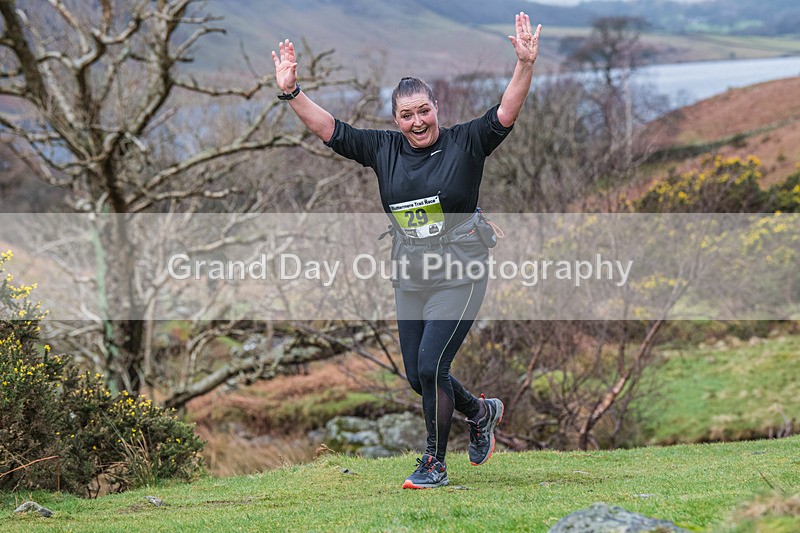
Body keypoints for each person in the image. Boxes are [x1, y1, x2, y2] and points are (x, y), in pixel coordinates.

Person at [272, 12, 541, 489]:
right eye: (406, 115)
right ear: (395, 120)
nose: (417, 121)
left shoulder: (466, 143)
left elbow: (507, 111)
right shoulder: (383, 150)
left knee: (432, 364)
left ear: (436, 107)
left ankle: (434, 464)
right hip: (411, 278)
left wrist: (523, 65)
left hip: (461, 272)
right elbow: (328, 129)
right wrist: (292, 92)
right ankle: (480, 413)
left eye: (424, 110)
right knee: (419, 376)